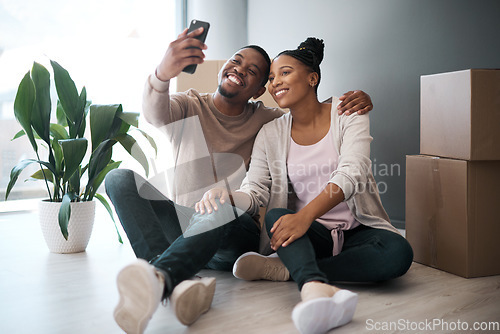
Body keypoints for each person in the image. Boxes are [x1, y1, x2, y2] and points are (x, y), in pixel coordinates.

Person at [105, 27, 374, 334]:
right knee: (119, 177)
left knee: (221, 203)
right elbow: (154, 114)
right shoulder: (188, 104)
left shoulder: (266, 120)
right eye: (236, 61)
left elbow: (306, 111)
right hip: (186, 228)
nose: (239, 70)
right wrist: (161, 75)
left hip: (233, 230)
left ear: (261, 89)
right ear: (223, 67)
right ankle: (172, 281)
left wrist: (355, 101)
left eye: (253, 72)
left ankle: (161, 279)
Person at [195, 37, 413, 334]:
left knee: (398, 253)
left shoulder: (348, 113)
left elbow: (354, 172)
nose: (274, 83)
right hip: (309, 234)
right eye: (271, 78)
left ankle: (287, 269)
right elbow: (256, 190)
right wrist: (231, 196)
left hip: (356, 229)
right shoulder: (271, 132)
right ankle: (312, 287)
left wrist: (305, 215)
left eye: (284, 73)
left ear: (312, 78)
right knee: (276, 217)